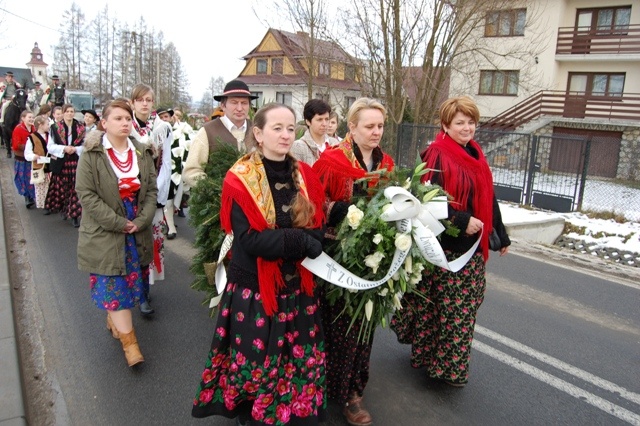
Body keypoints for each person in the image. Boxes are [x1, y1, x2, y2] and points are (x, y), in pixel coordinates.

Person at [191, 103, 327, 425]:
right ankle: (255, 412)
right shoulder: (241, 178)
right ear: (258, 133)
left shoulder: (304, 175)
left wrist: (314, 238)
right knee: (259, 358)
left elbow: (316, 224)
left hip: (297, 289)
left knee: (295, 357)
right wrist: (299, 242)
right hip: (258, 289)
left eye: (290, 128)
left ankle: (291, 410)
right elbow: (249, 239)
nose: (285, 135)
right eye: (277, 128)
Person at [390, 96, 511, 387]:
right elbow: (427, 198)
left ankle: (438, 359)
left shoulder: (477, 155)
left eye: (471, 122)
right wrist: (460, 220)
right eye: (460, 122)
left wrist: (500, 235)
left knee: (460, 306)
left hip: (473, 247)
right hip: (445, 246)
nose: (467, 127)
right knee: (448, 309)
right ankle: (446, 368)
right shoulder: (436, 154)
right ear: (445, 125)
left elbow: (488, 198)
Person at [311, 97, 394, 426]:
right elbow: (311, 204)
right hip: (336, 260)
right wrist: (338, 210)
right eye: (370, 126)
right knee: (338, 325)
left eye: (381, 126)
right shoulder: (332, 161)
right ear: (352, 127)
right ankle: (330, 387)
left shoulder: (386, 163)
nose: (376, 132)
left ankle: (354, 390)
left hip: (372, 260)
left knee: (364, 325)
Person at [75, 98, 158, 367]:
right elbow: (86, 194)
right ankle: (130, 344)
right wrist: (118, 222)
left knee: (133, 283)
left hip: (137, 228)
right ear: (104, 123)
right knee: (116, 285)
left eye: (127, 119)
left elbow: (151, 192)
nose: (124, 123)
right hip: (106, 228)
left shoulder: (143, 152)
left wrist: (142, 219)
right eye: (118, 118)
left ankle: (114, 320)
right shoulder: (92, 154)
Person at [129, 84, 172, 316]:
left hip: (153, 192)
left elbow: (166, 162)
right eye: (140, 100)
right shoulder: (128, 127)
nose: (145, 104)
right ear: (133, 102)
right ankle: (133, 288)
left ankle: (145, 290)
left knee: (149, 243)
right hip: (130, 191)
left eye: (148, 100)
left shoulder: (161, 127)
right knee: (131, 244)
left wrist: (158, 192)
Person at [182, 79, 258, 187]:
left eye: (244, 103)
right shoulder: (208, 131)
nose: (240, 108)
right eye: (234, 103)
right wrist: (215, 188)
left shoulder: (257, 131)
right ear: (223, 105)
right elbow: (191, 171)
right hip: (217, 200)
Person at [45, 104, 85, 227]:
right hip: (61, 161)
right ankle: (63, 208)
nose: (69, 113)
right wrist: (64, 148)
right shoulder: (55, 127)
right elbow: (50, 147)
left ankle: (74, 215)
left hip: (75, 161)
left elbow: (85, 145)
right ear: (63, 113)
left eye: (71, 111)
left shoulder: (80, 127)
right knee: (62, 187)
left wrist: (76, 149)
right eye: (67, 111)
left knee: (75, 187)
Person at [163, 108, 194, 238]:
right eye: (162, 117)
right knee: (168, 200)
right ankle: (171, 228)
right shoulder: (157, 130)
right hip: (165, 172)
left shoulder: (184, 131)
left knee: (181, 196)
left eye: (167, 116)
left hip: (180, 170)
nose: (166, 119)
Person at [290, 99, 339, 166]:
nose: (324, 124)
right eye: (319, 119)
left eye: (327, 119)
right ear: (308, 121)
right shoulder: (298, 147)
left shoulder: (335, 144)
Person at [24, 115, 51, 209]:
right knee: (40, 186)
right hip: (38, 166)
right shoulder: (31, 138)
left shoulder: (50, 136)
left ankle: (50, 203)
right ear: (40, 125)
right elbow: (27, 154)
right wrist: (34, 156)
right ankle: (42, 204)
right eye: (47, 124)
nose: (49, 126)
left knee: (50, 185)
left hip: (50, 165)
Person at [11, 110, 36, 209]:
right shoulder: (18, 129)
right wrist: (29, 148)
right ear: (23, 118)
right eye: (29, 117)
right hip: (22, 158)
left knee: (32, 178)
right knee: (24, 178)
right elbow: (16, 144)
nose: (31, 119)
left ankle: (32, 196)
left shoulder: (34, 129)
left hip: (32, 158)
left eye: (32, 117)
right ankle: (27, 198)